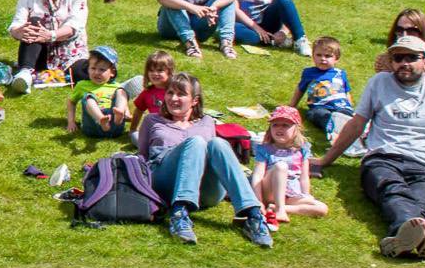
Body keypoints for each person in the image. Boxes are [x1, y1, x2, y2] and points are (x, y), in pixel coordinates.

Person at [330, 34, 425, 258]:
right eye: (398, 58)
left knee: (421, 198)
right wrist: (326, 160)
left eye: (411, 58)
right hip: (383, 158)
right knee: (392, 190)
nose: (404, 63)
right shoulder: (379, 82)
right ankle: (417, 234)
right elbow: (356, 124)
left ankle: (403, 239)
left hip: (424, 163)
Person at [131, 72, 272, 247]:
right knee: (196, 142)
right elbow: (142, 158)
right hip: (165, 181)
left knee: (218, 144)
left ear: (195, 100)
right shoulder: (152, 120)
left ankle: (253, 215)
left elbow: (214, 157)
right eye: (170, 93)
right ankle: (179, 214)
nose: (173, 98)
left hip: (204, 190)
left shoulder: (206, 121)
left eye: (181, 94)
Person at [5, 0, 89, 88]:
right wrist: (19, 31)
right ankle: (26, 72)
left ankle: (44, 77)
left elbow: (75, 25)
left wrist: (51, 35)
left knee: (85, 74)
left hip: (70, 54)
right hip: (38, 53)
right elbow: (16, 24)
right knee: (34, 22)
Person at [253, 107, 327, 225]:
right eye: (275, 125)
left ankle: (279, 208)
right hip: (270, 192)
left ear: (296, 129)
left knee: (322, 208)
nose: (279, 129)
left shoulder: (301, 149)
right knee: (281, 166)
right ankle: (279, 209)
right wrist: (259, 201)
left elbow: (304, 176)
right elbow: (257, 177)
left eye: (285, 125)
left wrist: (306, 195)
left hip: (291, 194)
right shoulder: (265, 149)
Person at [293, 37, 356, 151]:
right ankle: (333, 131)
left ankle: (354, 134)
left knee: (346, 118)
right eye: (319, 55)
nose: (323, 59)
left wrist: (350, 108)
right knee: (321, 116)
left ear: (336, 59)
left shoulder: (340, 73)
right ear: (313, 56)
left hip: (340, 105)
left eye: (328, 56)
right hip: (319, 107)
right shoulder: (309, 73)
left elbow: (347, 92)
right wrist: (292, 106)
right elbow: (300, 89)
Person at [67, 45, 128, 137]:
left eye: (102, 70)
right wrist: (71, 122)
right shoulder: (82, 85)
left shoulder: (115, 86)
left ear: (112, 73)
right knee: (88, 97)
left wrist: (127, 113)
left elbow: (123, 101)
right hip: (93, 127)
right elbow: (71, 102)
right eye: (93, 68)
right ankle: (101, 119)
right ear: (87, 69)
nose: (96, 73)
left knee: (121, 91)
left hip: (114, 125)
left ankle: (120, 115)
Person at [118, 50, 176, 119]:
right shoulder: (147, 93)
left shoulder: (176, 91)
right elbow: (138, 111)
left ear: (169, 72)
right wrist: (133, 129)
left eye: (160, 70)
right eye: (151, 70)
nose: (155, 73)